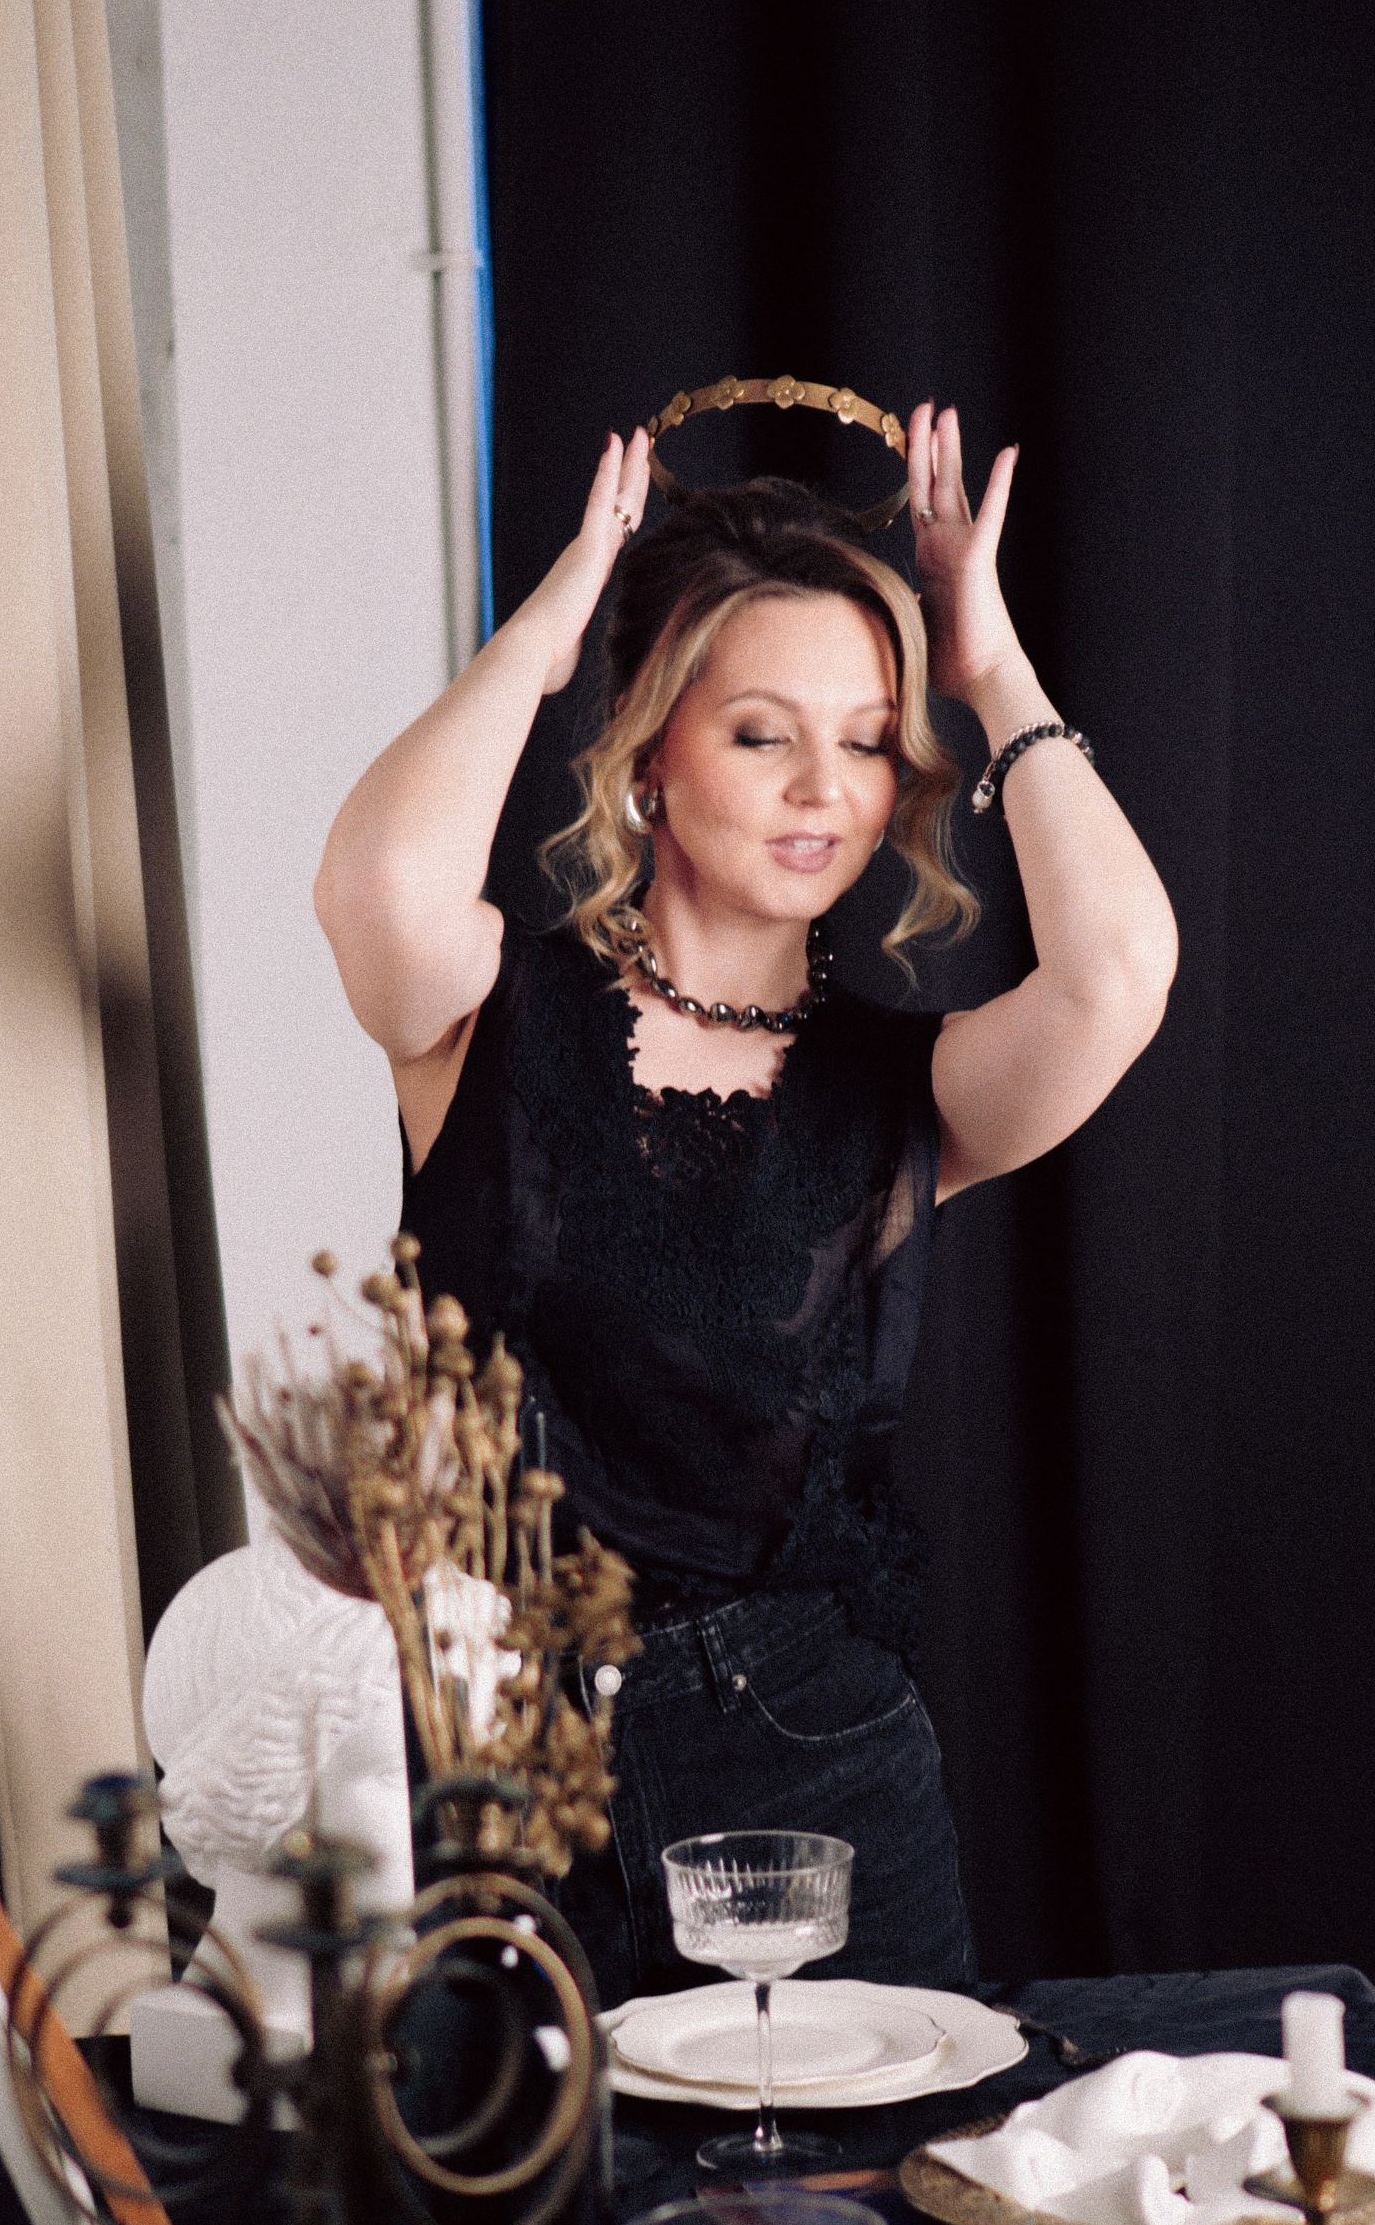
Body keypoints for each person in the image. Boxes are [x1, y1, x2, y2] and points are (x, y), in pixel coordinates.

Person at [314, 402, 1176, 2008]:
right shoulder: (485, 1014)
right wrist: (551, 632)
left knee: (874, 2177)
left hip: (814, 1761)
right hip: (492, 1760)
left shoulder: (909, 1089)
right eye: (763, 734)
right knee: (535, 2177)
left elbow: (1120, 970)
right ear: (655, 753)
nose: (824, 789)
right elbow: (376, 885)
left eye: (868, 740)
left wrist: (992, 667)